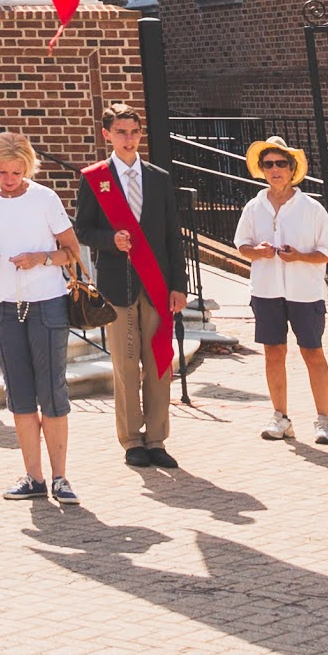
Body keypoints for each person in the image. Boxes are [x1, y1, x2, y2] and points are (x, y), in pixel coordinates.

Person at [71, 101, 203, 477]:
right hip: (117, 284)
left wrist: (180, 285)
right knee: (126, 365)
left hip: (158, 283)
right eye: (121, 133)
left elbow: (172, 237)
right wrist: (112, 239)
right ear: (107, 135)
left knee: (159, 363)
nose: (129, 139)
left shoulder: (158, 177)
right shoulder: (95, 178)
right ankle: (132, 439)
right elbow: (83, 230)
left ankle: (157, 438)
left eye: (134, 132)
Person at [0, 132, 84, 500]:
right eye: (2, 171)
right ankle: (34, 477)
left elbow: (72, 251)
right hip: (2, 305)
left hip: (46, 304)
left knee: (52, 390)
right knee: (20, 394)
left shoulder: (45, 198)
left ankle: (61, 477)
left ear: (27, 167)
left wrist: (41, 258)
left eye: (16, 171)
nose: (10, 178)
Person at [228, 137, 328, 446]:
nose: (275, 169)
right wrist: (259, 252)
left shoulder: (312, 209)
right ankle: (280, 417)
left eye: (281, 164)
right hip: (266, 291)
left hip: (306, 293)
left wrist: (300, 256)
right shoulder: (254, 207)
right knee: (273, 353)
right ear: (262, 170)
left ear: (293, 169)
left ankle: (323, 420)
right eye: (269, 164)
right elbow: (241, 246)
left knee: (312, 353)